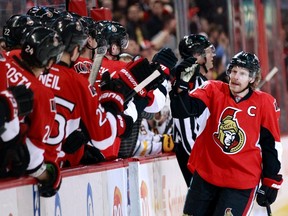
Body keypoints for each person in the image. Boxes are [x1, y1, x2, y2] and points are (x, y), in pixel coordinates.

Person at [181, 51, 283, 215]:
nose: (236, 77)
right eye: (234, 71)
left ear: (252, 79)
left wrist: (271, 181)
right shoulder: (213, 89)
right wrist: (180, 88)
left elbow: (271, 145)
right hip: (207, 175)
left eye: (243, 73)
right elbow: (185, 109)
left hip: (241, 182)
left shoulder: (265, 103)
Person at [0, 26, 65, 197]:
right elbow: (31, 159)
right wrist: (49, 176)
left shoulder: (5, 58)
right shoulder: (43, 96)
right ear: (50, 62)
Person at [170, 34, 215, 187]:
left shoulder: (200, 80)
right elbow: (186, 127)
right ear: (197, 55)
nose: (212, 55)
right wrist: (203, 160)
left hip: (199, 152)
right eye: (208, 51)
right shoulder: (189, 80)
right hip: (192, 153)